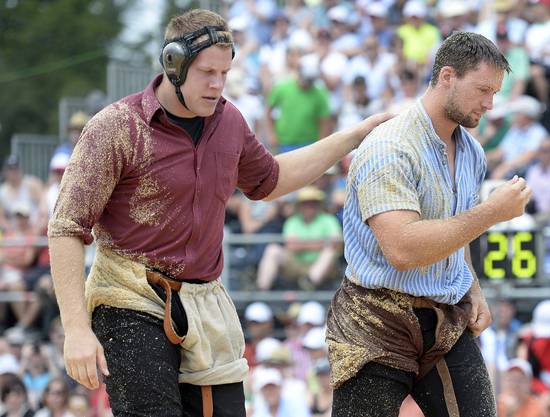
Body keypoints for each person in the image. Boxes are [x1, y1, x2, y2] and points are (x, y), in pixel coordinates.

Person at [47, 8, 390, 417]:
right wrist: (75, 330)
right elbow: (66, 226)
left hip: (205, 300)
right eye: (207, 72)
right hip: (128, 295)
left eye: (225, 73)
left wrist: (352, 136)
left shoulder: (229, 121)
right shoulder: (115, 128)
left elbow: (271, 179)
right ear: (173, 65)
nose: (217, 84)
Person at [326, 32, 532, 417]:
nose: (490, 103)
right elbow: (403, 249)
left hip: (447, 311)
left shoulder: (473, 151)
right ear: (448, 76)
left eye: (496, 92)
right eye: (483, 89)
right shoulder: (390, 146)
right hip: (375, 316)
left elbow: (457, 231)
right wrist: (492, 212)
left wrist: (474, 286)